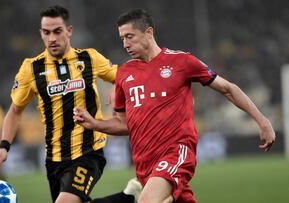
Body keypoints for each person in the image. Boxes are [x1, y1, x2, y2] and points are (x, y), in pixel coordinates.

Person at [73, 9, 276, 203]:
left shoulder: (181, 61)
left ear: (148, 32)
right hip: (145, 164)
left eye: (130, 36)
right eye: (122, 38)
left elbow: (228, 89)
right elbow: (124, 124)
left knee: (147, 200)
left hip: (176, 152)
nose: (125, 44)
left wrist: (262, 120)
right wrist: (94, 124)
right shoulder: (124, 74)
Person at [0, 5, 140, 203]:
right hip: (54, 159)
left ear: (69, 30)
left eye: (57, 31)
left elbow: (124, 77)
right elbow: (15, 111)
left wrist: (117, 88)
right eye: (46, 32)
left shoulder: (89, 58)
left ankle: (128, 198)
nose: (52, 38)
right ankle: (129, 198)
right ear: (41, 34)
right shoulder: (31, 69)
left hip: (89, 152)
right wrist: (4, 146)